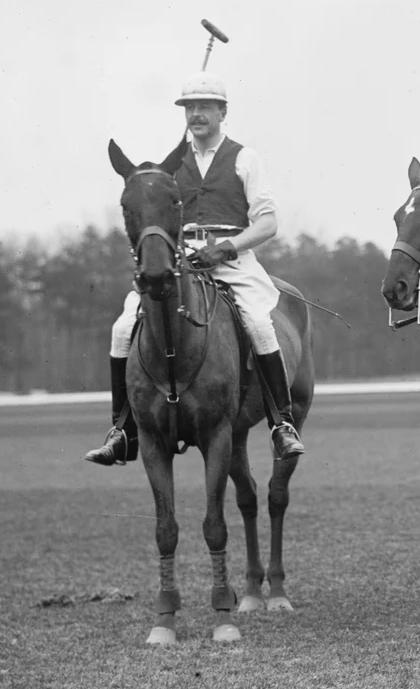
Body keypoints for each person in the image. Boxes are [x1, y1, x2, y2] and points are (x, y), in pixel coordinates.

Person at [84, 73, 305, 464]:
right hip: (180, 261)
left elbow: (268, 223)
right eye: (190, 107)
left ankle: (281, 423)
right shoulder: (171, 166)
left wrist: (226, 248)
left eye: (205, 107)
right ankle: (122, 430)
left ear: (222, 112)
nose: (197, 114)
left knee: (259, 323)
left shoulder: (243, 158)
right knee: (122, 328)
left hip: (233, 259)